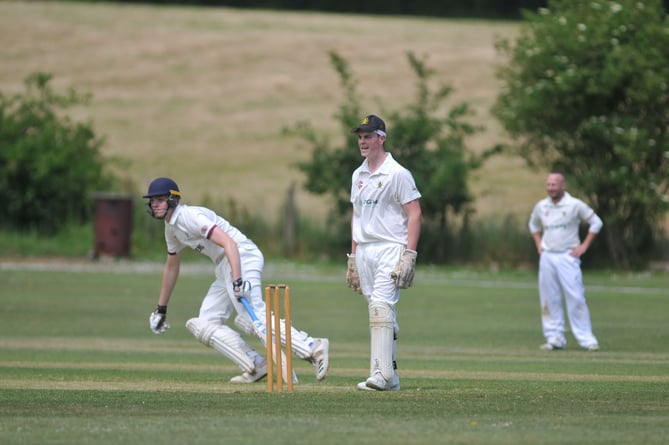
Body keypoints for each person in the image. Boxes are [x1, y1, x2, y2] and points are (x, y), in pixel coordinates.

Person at [143, 177, 329, 383]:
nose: (155, 204)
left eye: (159, 199)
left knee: (253, 317)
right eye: (152, 201)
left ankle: (312, 346)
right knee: (205, 322)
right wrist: (161, 308)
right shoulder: (171, 229)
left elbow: (229, 243)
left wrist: (238, 280)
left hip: (241, 255)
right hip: (224, 266)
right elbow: (172, 266)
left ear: (172, 199)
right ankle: (256, 365)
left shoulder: (190, 216)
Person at [345, 115, 422, 391]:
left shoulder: (398, 173)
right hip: (365, 250)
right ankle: (391, 375)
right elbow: (357, 215)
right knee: (380, 314)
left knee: (380, 308)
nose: (363, 142)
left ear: (382, 138)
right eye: (360, 137)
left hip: (390, 247)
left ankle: (383, 376)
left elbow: (414, 213)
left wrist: (409, 254)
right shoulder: (358, 174)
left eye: (368, 136)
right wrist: (353, 258)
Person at [528, 172, 602, 352]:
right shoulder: (541, 206)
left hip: (568, 256)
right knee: (549, 298)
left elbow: (596, 223)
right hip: (547, 256)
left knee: (575, 296)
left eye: (554, 185)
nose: (550, 188)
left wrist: (583, 246)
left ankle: (587, 339)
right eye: (548, 185)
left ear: (563, 186)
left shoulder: (574, 204)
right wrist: (539, 245)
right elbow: (533, 225)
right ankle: (555, 338)